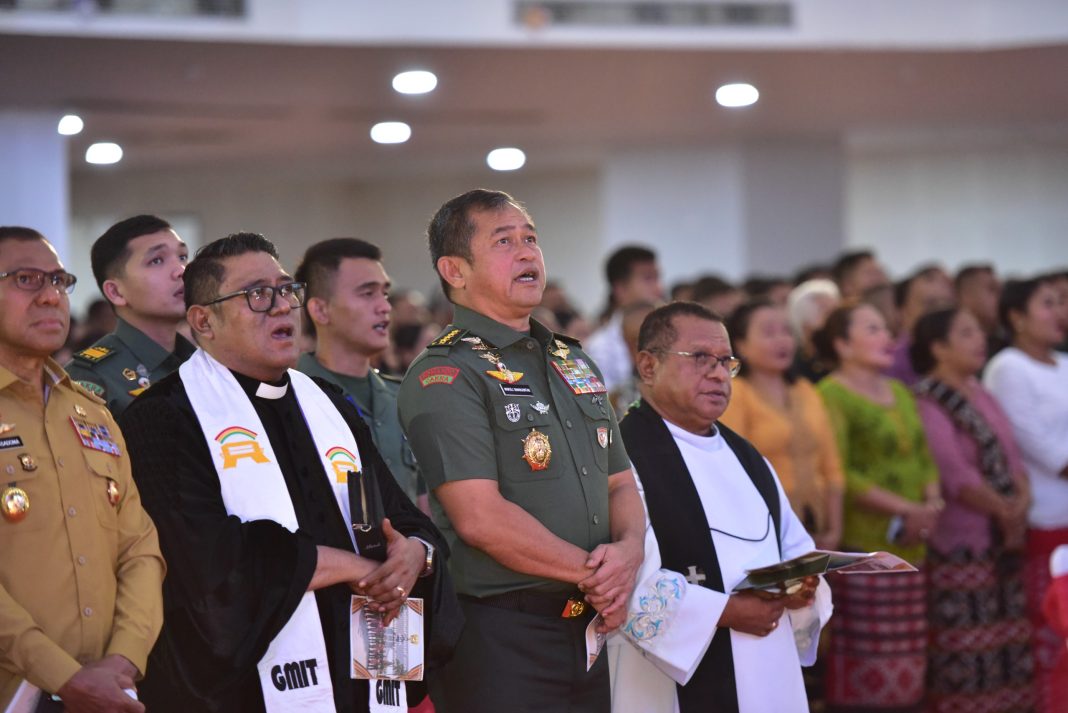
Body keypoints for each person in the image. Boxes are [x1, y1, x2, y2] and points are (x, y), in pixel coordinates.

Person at [118, 233, 457, 713]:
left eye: (285, 290)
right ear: (203, 321)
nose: (281, 306)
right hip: (245, 695)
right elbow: (203, 560)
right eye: (257, 294)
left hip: (363, 677)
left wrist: (414, 554)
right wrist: (356, 569)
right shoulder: (163, 417)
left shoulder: (329, 404)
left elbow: (399, 515)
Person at [397, 189, 645, 713]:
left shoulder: (571, 361)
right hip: (503, 636)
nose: (527, 252)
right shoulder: (447, 373)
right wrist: (601, 576)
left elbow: (620, 482)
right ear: (454, 270)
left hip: (587, 625)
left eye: (530, 238)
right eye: (504, 242)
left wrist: (629, 553)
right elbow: (480, 519)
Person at [608, 302, 832, 713]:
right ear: (648, 366)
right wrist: (725, 612)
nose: (717, 374)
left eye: (726, 362)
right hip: (672, 682)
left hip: (768, 664)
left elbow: (795, 547)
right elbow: (623, 581)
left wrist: (803, 587)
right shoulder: (622, 459)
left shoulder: (746, 456)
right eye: (699, 358)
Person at [0, 226, 165, 713]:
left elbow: (139, 547)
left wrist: (123, 659)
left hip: (109, 693)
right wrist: (62, 675)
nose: (51, 297)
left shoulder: (91, 413)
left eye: (58, 280)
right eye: (26, 279)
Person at [813, 301, 941, 712]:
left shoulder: (900, 391)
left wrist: (931, 503)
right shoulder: (831, 394)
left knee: (910, 656)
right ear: (842, 344)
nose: (886, 337)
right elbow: (841, 470)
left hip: (914, 540)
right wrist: (905, 508)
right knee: (867, 658)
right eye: (872, 329)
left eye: (886, 328)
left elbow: (923, 456)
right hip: (865, 547)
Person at [910, 308, 1034, 712]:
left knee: (1008, 645)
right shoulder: (928, 399)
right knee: (966, 650)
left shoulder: (981, 392)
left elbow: (1013, 455)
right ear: (938, 348)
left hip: (1006, 540)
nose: (980, 339)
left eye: (979, 331)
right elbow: (954, 474)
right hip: (962, 543)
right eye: (966, 333)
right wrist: (1004, 508)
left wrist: (1021, 499)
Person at [983, 277, 1068, 713]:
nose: (1059, 312)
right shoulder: (1008, 367)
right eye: (1047, 303)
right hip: (1043, 517)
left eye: (1060, 302)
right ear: (1016, 317)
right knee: (1050, 628)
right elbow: (1032, 440)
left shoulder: (1064, 363)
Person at [294, 238, 427, 510]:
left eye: (385, 294)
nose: (385, 307)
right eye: (367, 294)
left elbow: (423, 501)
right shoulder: (291, 398)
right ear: (320, 310)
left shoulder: (403, 397)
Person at [720, 299, 845, 550]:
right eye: (769, 333)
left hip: (816, 523)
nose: (782, 340)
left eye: (786, 331)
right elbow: (732, 471)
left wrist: (834, 530)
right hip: (762, 528)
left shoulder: (805, 389)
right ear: (741, 345)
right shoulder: (735, 393)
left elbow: (831, 467)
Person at [66, 215, 195, 416]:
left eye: (182, 257)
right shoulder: (92, 377)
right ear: (116, 292)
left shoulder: (202, 363)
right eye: (157, 260)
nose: (181, 271)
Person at [585, 245, 663, 392]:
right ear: (620, 288)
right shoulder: (600, 348)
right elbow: (599, 401)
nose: (659, 288)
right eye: (648, 279)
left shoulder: (675, 336)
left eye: (658, 278)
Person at [886, 265, 955, 386]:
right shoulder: (889, 365)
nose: (941, 315)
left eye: (947, 305)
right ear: (902, 312)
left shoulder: (964, 358)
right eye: (930, 305)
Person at [786, 278, 840, 382]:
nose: (837, 320)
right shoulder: (794, 367)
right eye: (828, 313)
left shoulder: (847, 356)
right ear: (805, 324)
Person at [954, 263, 1005, 358]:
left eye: (1001, 290)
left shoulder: (1011, 344)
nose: (1001, 296)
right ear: (966, 296)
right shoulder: (951, 349)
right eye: (992, 289)